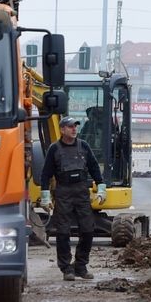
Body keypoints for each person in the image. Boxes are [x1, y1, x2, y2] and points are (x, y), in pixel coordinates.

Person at [39, 116, 107, 280]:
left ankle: (81, 266)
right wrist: (45, 196)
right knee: (62, 231)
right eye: (70, 127)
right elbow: (45, 174)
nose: (74, 129)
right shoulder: (54, 149)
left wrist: (101, 187)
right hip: (63, 192)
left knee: (88, 230)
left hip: (82, 192)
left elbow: (94, 167)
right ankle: (66, 268)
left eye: (75, 126)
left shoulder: (84, 146)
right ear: (62, 130)